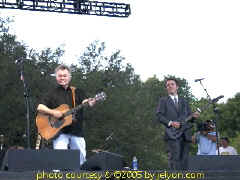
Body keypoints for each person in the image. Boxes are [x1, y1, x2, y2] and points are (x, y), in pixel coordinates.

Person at [37, 64, 96, 166]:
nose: (62, 78)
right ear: (56, 77)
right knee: (60, 159)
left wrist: (90, 102)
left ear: (69, 77)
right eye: (60, 76)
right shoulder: (52, 93)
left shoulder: (77, 91)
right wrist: (53, 112)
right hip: (60, 132)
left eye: (65, 75)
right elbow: (40, 107)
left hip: (76, 131)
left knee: (81, 159)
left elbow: (85, 101)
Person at [156, 78, 199, 170]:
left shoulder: (184, 101)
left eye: (172, 84)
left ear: (177, 87)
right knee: (174, 159)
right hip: (172, 135)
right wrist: (171, 123)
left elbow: (189, 118)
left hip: (185, 135)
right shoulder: (163, 100)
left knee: (185, 160)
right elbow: (159, 116)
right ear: (166, 88)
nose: (170, 86)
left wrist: (194, 117)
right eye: (168, 85)